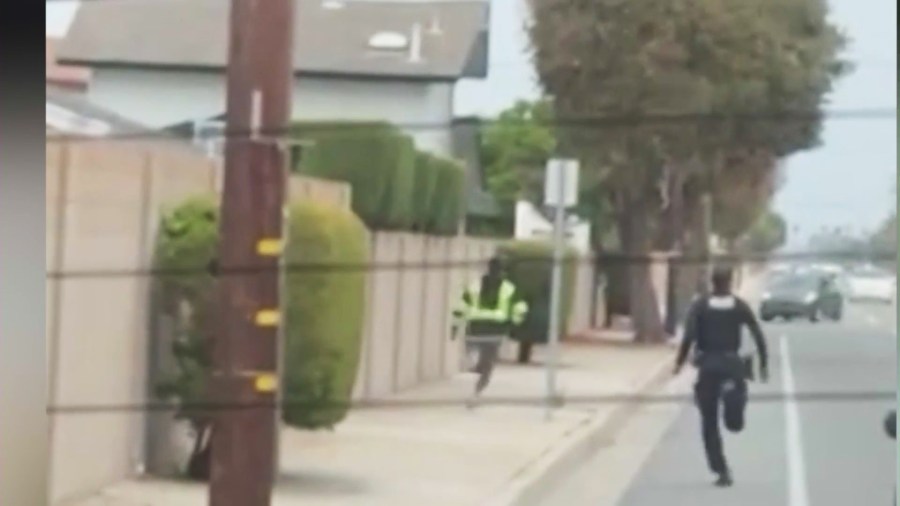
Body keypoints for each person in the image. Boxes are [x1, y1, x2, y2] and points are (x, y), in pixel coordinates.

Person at [674, 266, 769, 488]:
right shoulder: (739, 306)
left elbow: (688, 336)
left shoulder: (700, 306)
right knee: (734, 422)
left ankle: (721, 470)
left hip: (707, 366)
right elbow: (757, 333)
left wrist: (679, 364)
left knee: (709, 423)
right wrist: (763, 365)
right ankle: (733, 403)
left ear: (711, 282)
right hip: (732, 364)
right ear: (730, 282)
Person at [453, 256, 528, 408]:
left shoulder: (475, 286)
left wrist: (455, 326)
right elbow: (520, 309)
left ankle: (474, 364)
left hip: (475, 328)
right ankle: (476, 393)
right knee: (487, 367)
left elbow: (461, 306)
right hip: (495, 331)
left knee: (474, 354)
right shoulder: (509, 288)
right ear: (502, 271)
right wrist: (515, 323)